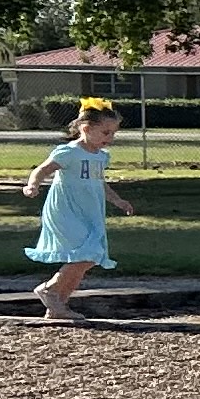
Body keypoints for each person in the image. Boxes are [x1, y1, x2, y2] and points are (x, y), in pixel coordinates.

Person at [22, 99, 137, 320]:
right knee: (84, 254)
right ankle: (49, 289)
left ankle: (58, 306)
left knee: (89, 258)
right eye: (105, 133)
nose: (109, 138)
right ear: (86, 128)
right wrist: (32, 185)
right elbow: (42, 169)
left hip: (90, 212)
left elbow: (100, 183)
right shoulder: (68, 152)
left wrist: (118, 201)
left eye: (113, 133)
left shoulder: (101, 157)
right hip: (66, 210)